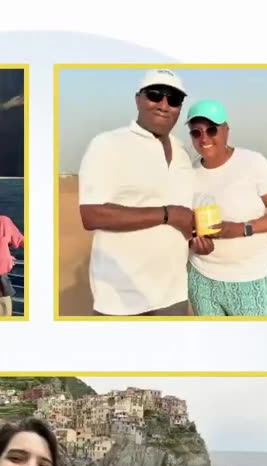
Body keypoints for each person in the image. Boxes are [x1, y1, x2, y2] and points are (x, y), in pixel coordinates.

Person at [77, 69, 196, 316]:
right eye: (155, 95)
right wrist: (168, 214)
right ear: (138, 99)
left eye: (174, 100)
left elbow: (187, 214)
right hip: (121, 301)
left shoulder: (183, 151)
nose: (164, 105)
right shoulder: (107, 144)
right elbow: (92, 214)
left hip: (174, 294)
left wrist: (196, 238)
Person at [185, 100, 267, 317]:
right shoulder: (189, 173)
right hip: (202, 277)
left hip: (249, 278)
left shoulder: (252, 162)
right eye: (196, 132)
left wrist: (242, 229)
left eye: (212, 129)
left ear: (226, 130)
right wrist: (194, 242)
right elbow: (186, 223)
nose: (204, 138)